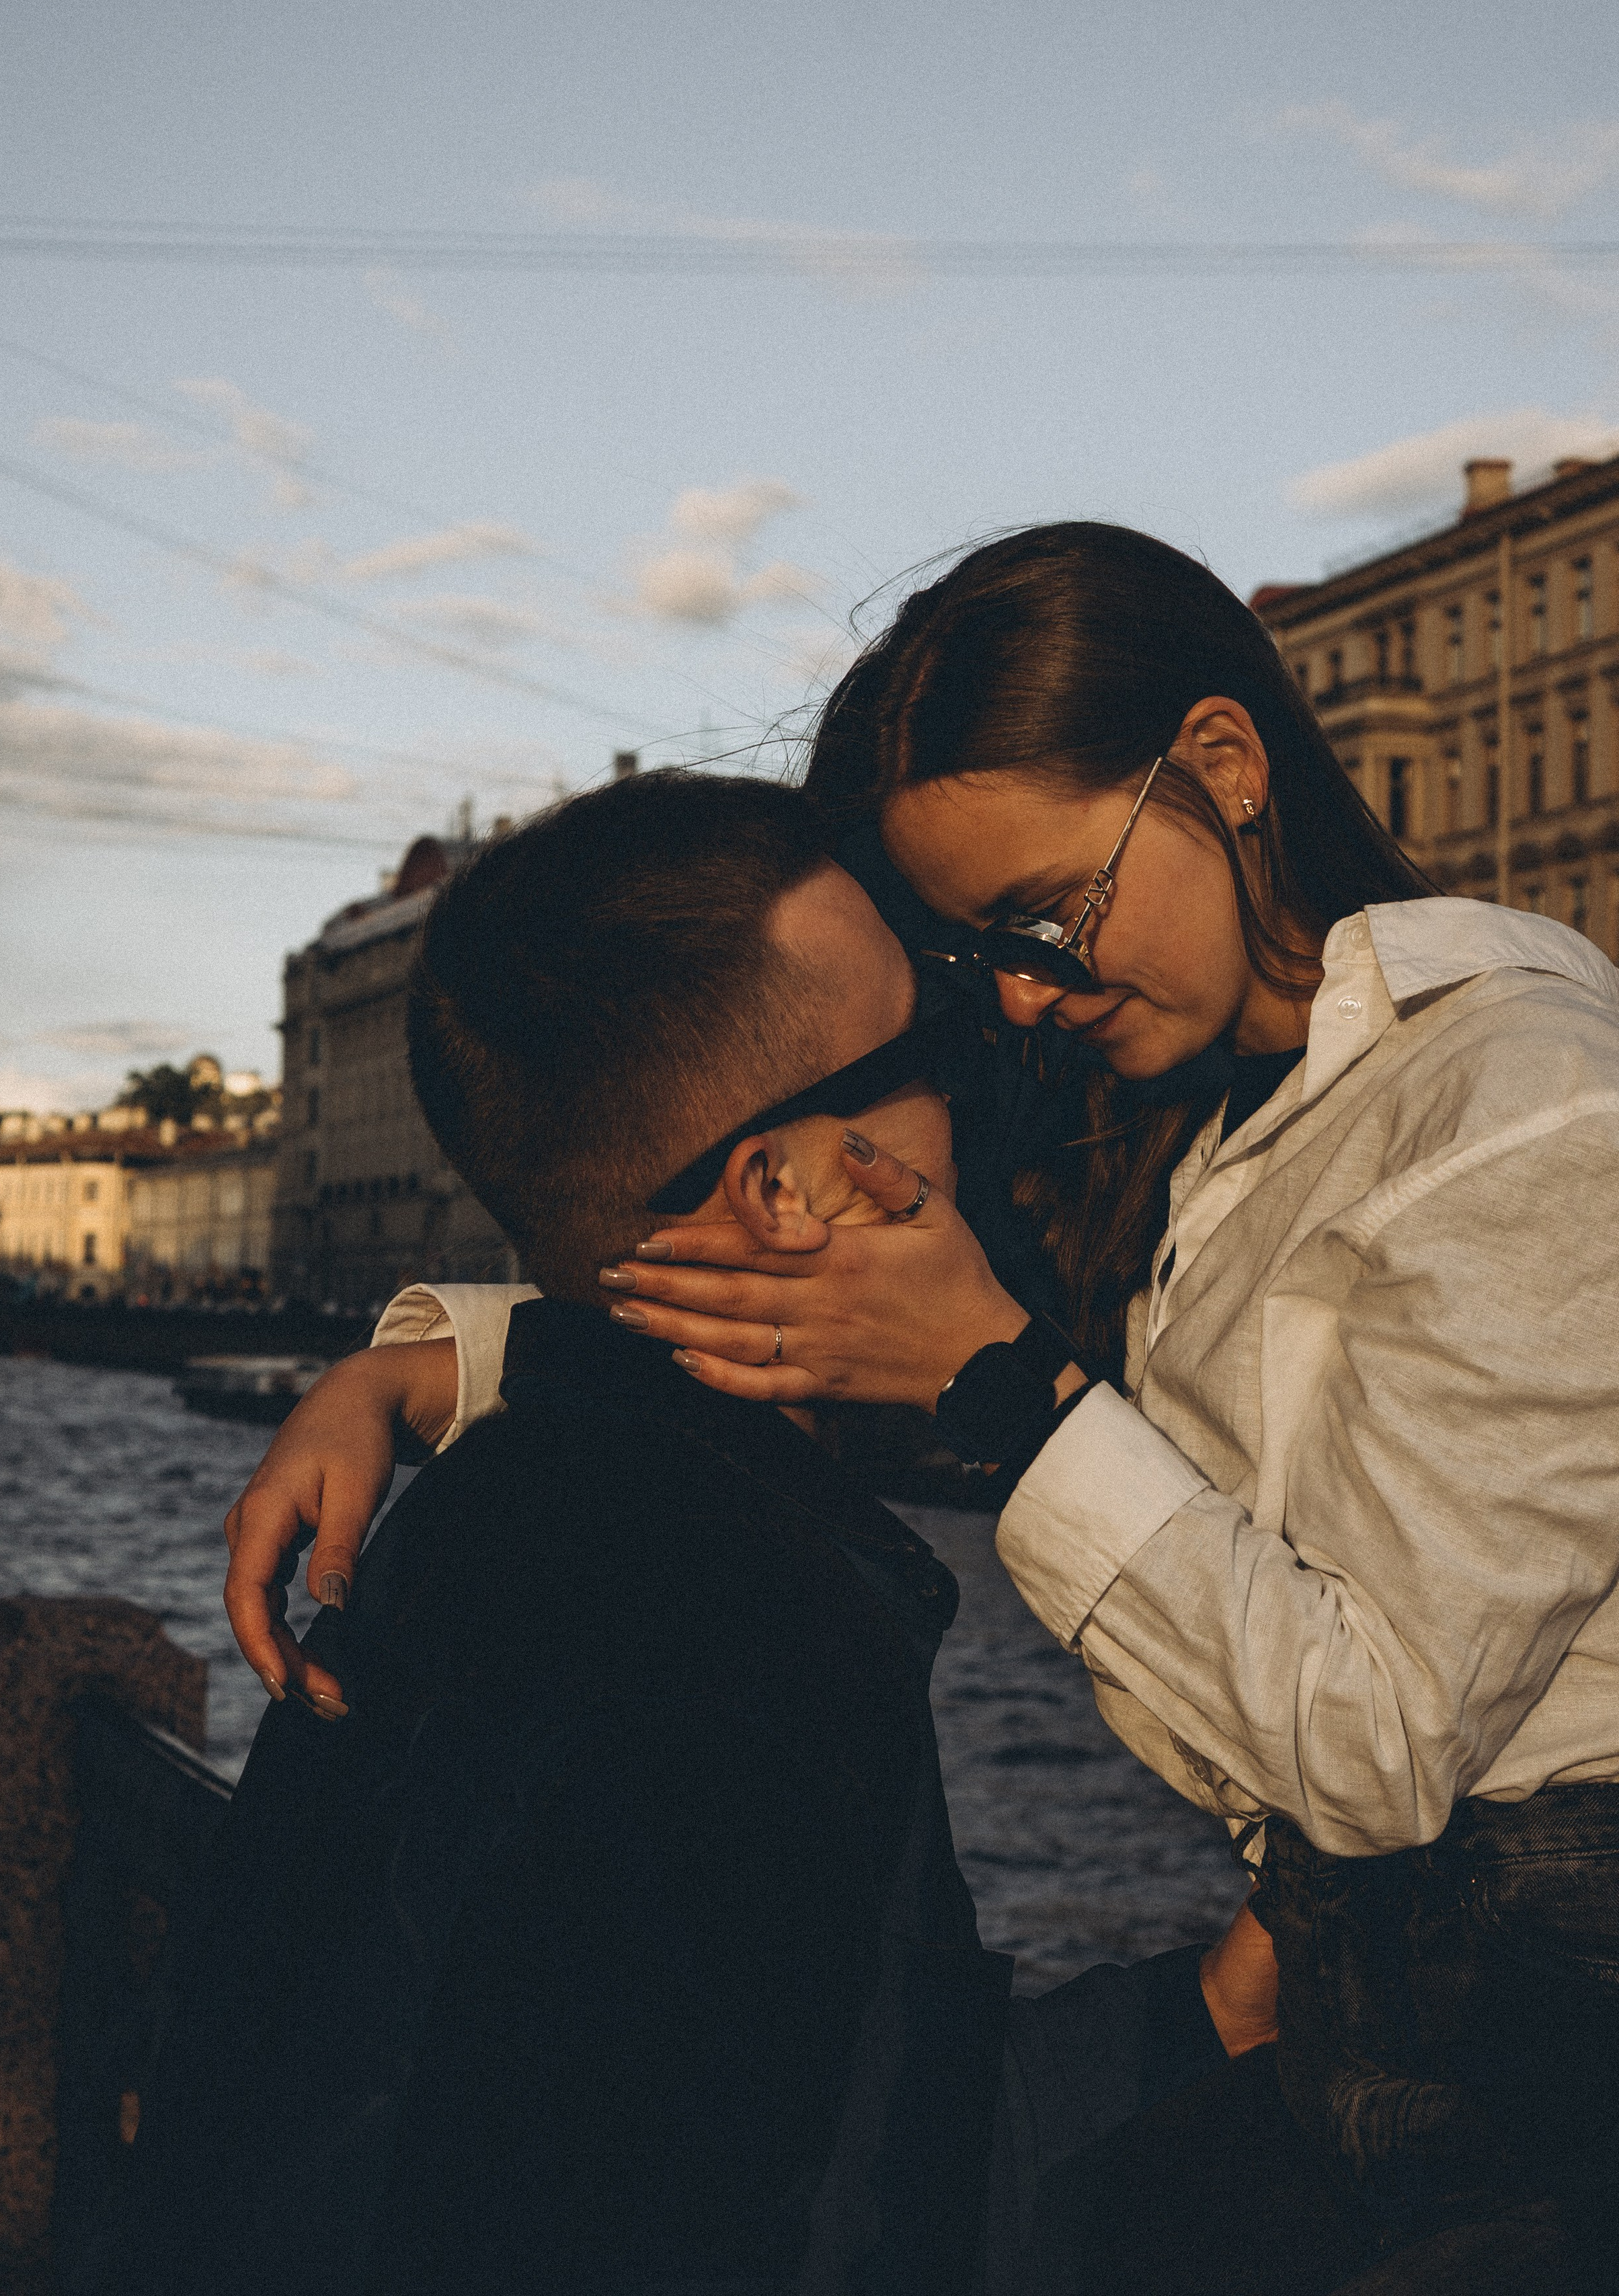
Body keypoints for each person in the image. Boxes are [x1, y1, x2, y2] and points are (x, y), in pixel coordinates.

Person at [229, 524, 1619, 2291]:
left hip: (1556, 2060)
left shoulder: (1520, 1107)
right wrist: (427, 1366)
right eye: (984, 955)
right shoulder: (1190, 1105)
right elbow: (866, 1331)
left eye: (1050, 913)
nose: (1029, 990)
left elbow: (1371, 1745)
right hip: (1378, 2022)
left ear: (1225, 766)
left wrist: (1014, 1388)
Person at [136, 767, 1260, 2296]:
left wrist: (1197, 2014)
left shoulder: (510, 1515)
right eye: (931, 1036)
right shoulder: (735, 1634)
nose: (997, 1047)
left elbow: (771, 2132)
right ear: (789, 1185)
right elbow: (800, 2236)